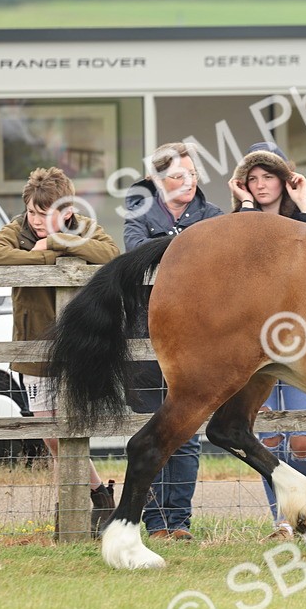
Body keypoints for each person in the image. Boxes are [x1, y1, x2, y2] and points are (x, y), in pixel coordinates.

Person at [0, 166, 120, 536]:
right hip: (34, 345)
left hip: (77, 343)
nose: (38, 221)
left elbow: (110, 253)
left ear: (68, 211)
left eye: (47, 214)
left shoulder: (83, 228)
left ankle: (71, 509)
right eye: (33, 213)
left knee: (73, 424)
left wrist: (58, 244)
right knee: (50, 430)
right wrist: (43, 256)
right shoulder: (16, 230)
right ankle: (95, 494)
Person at [123, 142, 224, 541]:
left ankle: (178, 521)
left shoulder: (213, 216)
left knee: (186, 431)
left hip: (197, 336)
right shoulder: (138, 210)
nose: (187, 182)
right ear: (155, 181)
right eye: (177, 176)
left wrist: (168, 248)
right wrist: (186, 250)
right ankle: (153, 522)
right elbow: (135, 250)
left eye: (192, 174)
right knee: (149, 425)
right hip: (145, 332)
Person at [228, 142, 306, 541]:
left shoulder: (302, 219)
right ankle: (283, 521)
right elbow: (248, 250)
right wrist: (247, 207)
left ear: (285, 180)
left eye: (268, 176)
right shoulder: (235, 222)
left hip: (301, 343)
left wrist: (303, 203)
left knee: (301, 439)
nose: (260, 184)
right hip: (255, 345)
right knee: (267, 439)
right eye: (252, 178)